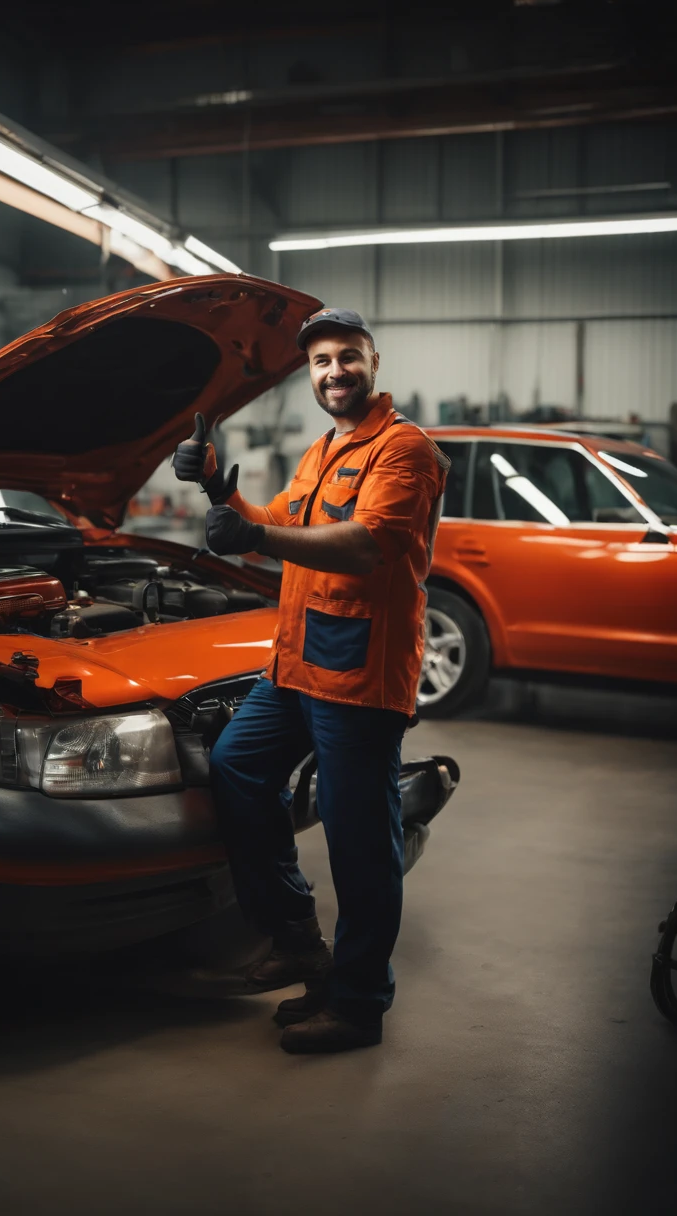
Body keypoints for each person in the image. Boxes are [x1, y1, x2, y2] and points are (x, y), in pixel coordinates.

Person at [173, 307, 449, 1054]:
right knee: (237, 765)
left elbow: (368, 545)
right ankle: (297, 937)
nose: (334, 371)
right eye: (321, 361)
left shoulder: (405, 450)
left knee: (360, 846)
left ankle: (358, 1004)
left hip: (359, 676)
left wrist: (256, 532)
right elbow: (275, 523)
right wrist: (217, 493)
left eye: (346, 357)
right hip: (296, 664)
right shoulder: (323, 451)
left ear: (373, 361)